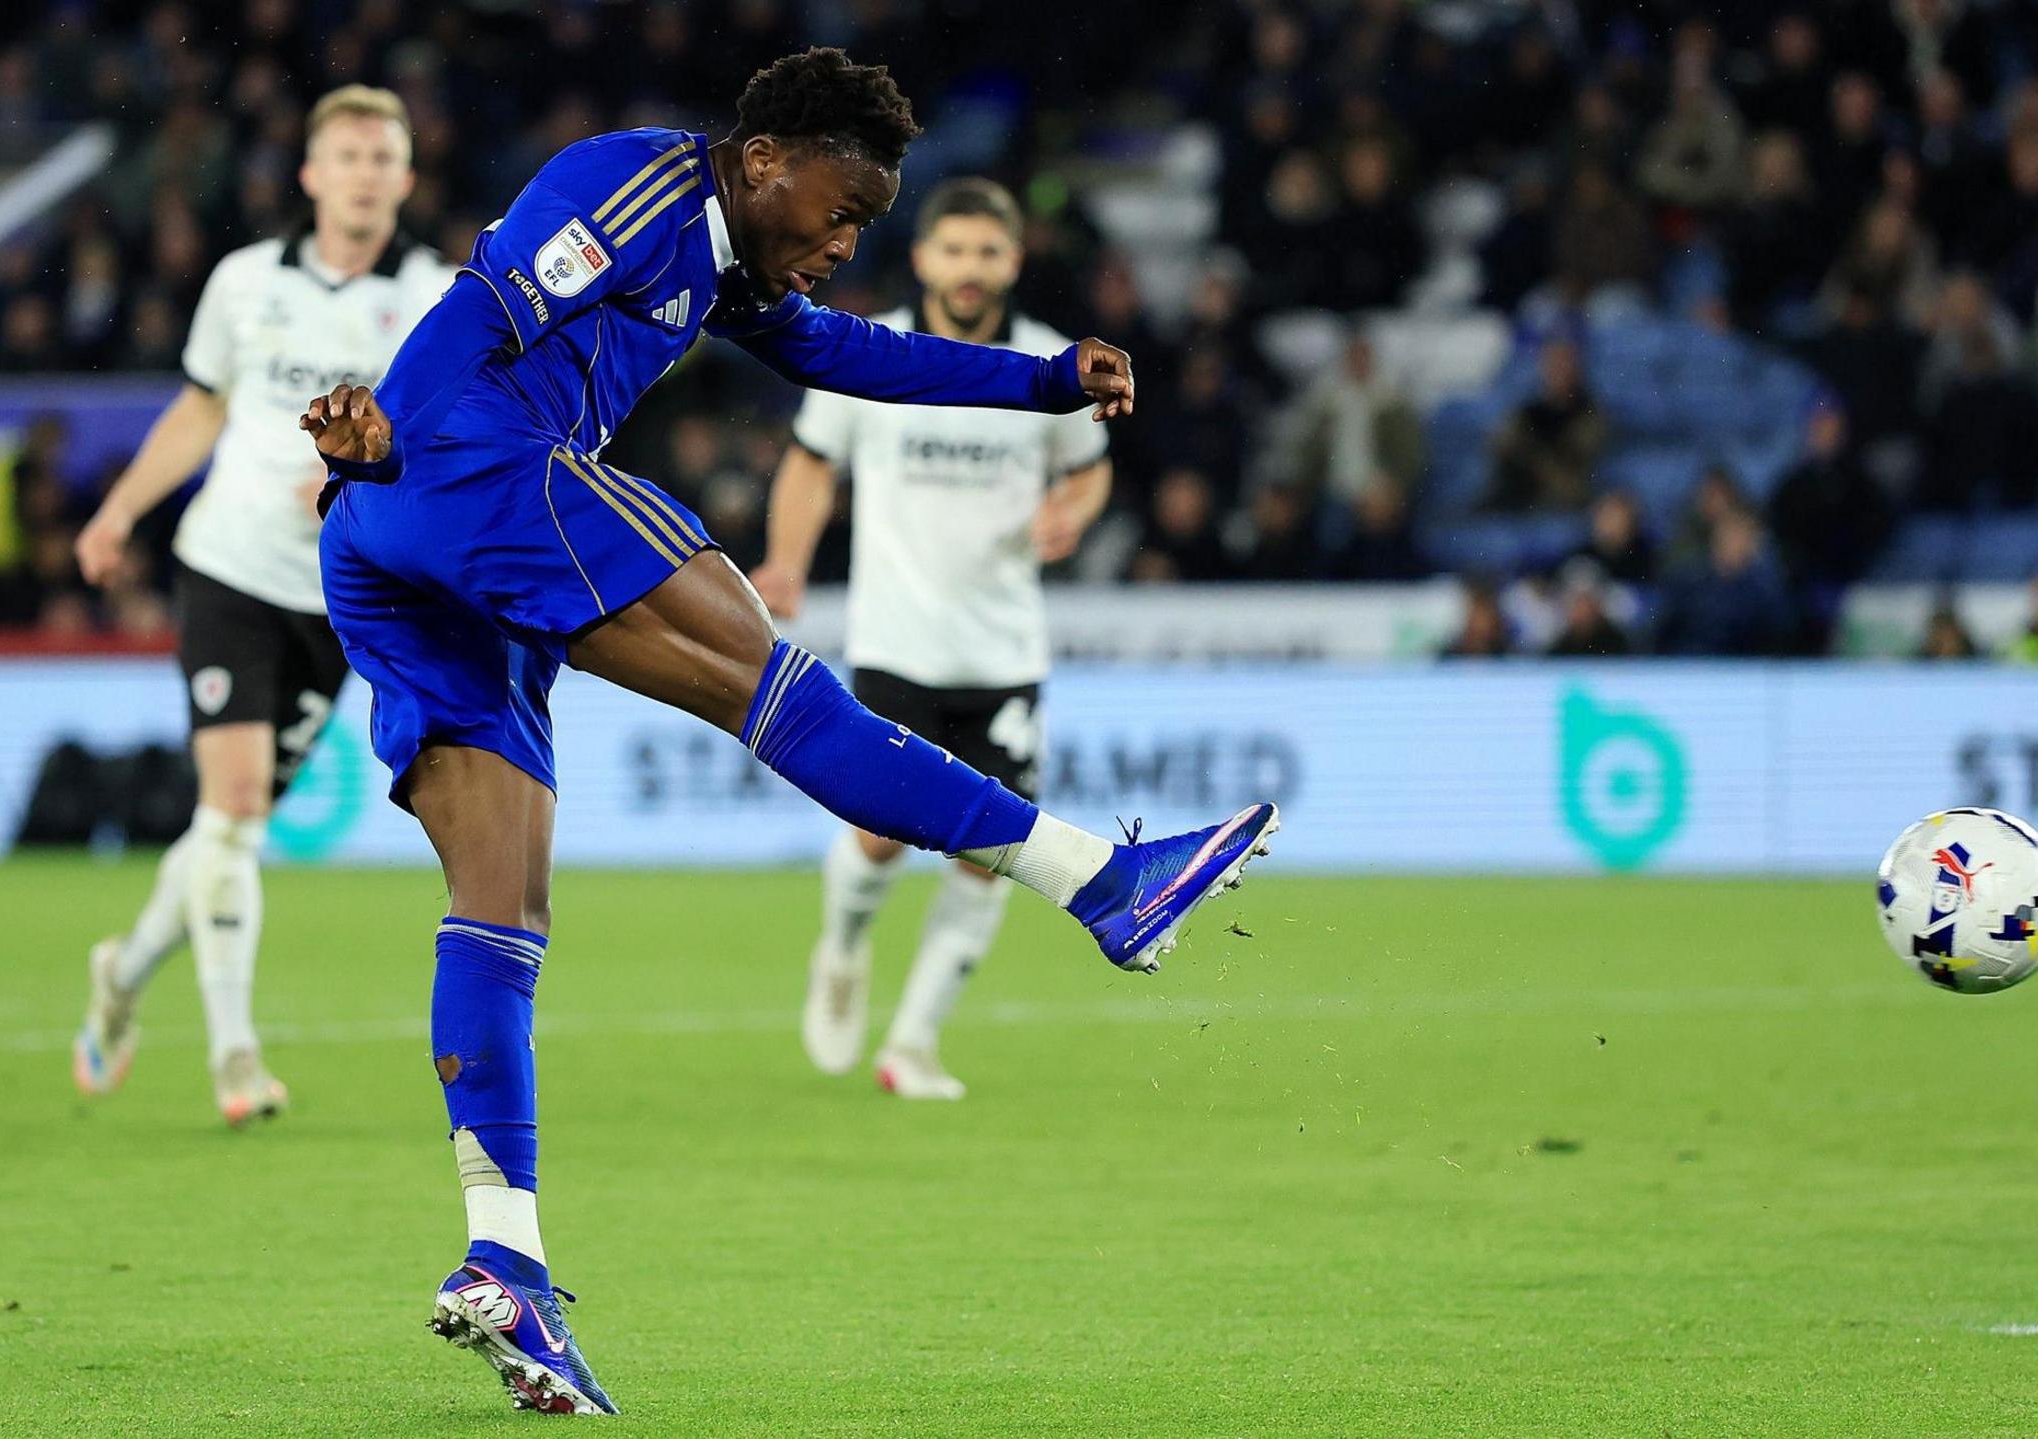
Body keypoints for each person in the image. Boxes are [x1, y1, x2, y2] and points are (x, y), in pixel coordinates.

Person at [296, 51, 1278, 1415]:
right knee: (779, 682)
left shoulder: (735, 266)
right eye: (839, 208)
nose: (842, 239)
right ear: (764, 159)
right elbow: (482, 308)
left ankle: (502, 1253)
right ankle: (1100, 880)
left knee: (501, 906)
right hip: (466, 465)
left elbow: (845, 351)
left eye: (864, 222)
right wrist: (381, 424)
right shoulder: (635, 187)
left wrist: (1043, 382)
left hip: (391, 536)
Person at [68, 85, 450, 1126]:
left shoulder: (434, 297)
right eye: (349, 155)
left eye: (385, 156)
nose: (367, 172)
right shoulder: (244, 283)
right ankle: (237, 1056)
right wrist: (120, 510)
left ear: (407, 178)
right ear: (312, 175)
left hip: (342, 593)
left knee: (226, 827)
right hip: (230, 567)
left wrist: (363, 473)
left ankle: (126, 963)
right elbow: (201, 408)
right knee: (233, 808)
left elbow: (453, 438)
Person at [745, 177, 1114, 1101]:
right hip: (897, 641)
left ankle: (911, 1043)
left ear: (1013, 262)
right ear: (922, 258)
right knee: (876, 838)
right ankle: (842, 948)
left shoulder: (1046, 362)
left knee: (987, 859)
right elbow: (810, 462)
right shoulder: (870, 354)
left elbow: (1090, 470)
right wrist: (785, 560)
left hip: (1005, 651)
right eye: (953, 249)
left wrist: (1071, 510)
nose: (969, 268)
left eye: (987, 252)